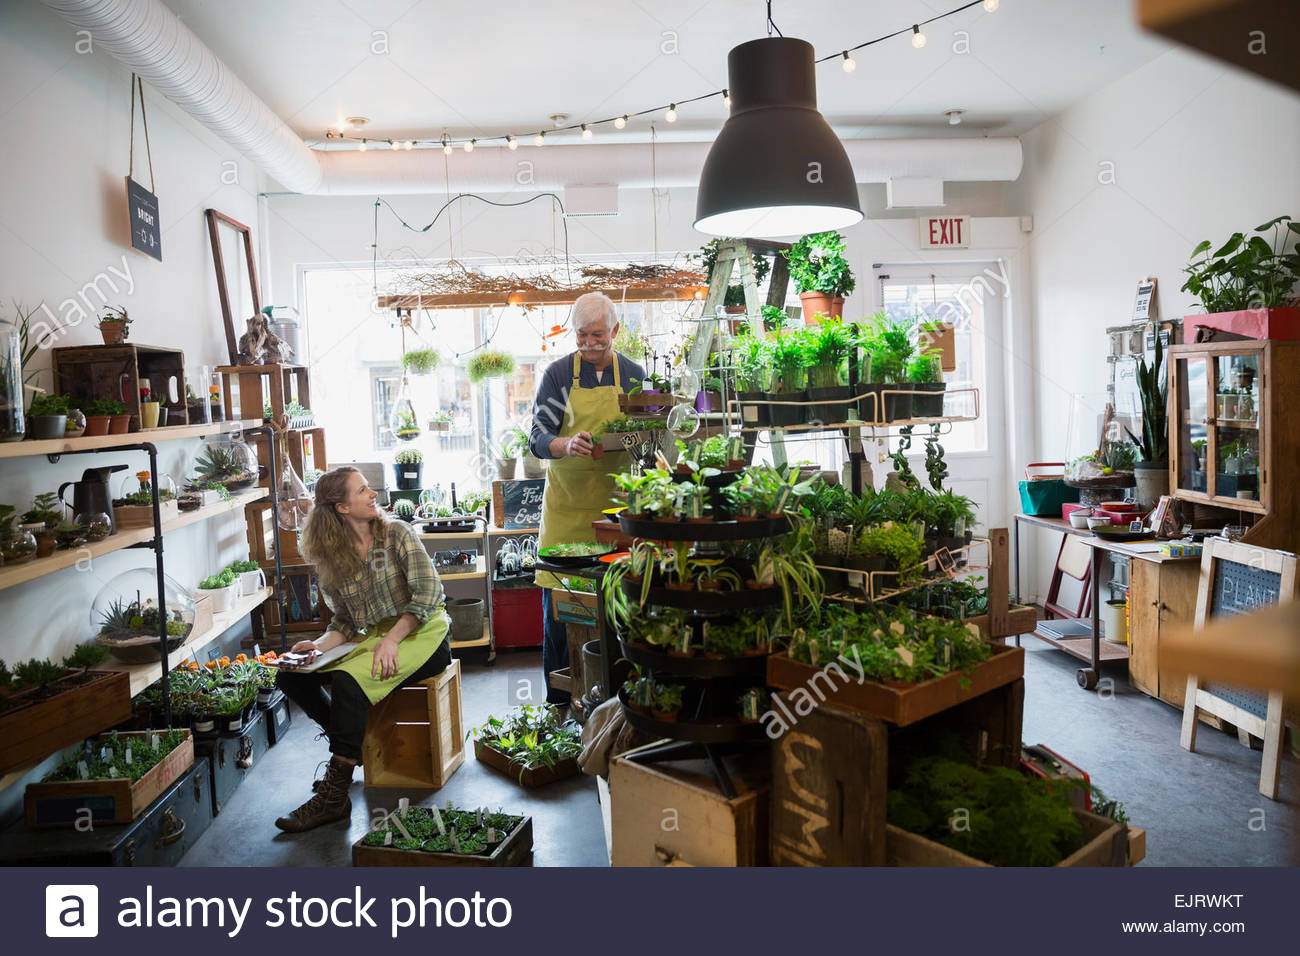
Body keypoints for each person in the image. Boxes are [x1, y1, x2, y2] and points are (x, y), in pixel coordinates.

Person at [273, 466, 451, 833]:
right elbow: (344, 623)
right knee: (291, 676)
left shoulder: (396, 534)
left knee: (347, 683)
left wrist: (391, 639)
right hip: (376, 638)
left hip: (425, 634)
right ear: (340, 508)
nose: (373, 495)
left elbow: (430, 595)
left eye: (369, 489)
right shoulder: (333, 556)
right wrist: (317, 647)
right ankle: (354, 748)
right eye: (362, 491)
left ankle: (334, 795)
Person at [530, 292, 644, 706]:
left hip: (615, 511)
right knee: (563, 612)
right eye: (582, 335)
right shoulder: (560, 376)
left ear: (615, 330)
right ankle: (560, 706)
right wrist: (564, 444)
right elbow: (537, 438)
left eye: (598, 335)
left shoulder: (632, 374)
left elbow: (646, 434)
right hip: (567, 512)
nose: (590, 343)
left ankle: (612, 703)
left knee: (615, 607)